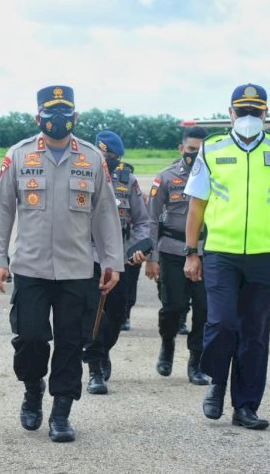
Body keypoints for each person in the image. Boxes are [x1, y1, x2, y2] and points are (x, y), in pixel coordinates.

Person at [0, 85, 124, 442]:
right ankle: (33, 390)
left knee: (70, 342)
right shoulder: (18, 155)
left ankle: (61, 411)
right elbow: (2, 211)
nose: (58, 121)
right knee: (30, 337)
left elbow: (106, 213)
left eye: (65, 114)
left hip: (77, 268)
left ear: (75, 118)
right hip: (30, 268)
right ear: (38, 118)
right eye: (50, 114)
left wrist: (112, 261)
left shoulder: (92, 159)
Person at [183, 83, 270, 430]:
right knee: (222, 323)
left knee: (255, 333)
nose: (249, 117)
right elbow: (197, 205)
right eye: (243, 111)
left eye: (256, 111)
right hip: (221, 254)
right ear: (230, 114)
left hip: (265, 255)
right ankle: (217, 383)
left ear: (266, 114)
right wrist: (191, 252)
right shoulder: (212, 148)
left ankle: (246, 406)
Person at [84, 131, 149, 395]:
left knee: (118, 313)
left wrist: (137, 248)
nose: (110, 162)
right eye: (106, 157)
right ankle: (95, 368)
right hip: (86, 256)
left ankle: (103, 350)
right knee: (91, 313)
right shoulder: (80, 176)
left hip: (120, 258)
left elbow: (143, 221)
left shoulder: (127, 181)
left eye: (114, 158)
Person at [145, 126, 209, 386]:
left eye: (201, 150)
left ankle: (196, 361)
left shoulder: (216, 177)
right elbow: (151, 219)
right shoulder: (165, 178)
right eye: (192, 150)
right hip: (172, 251)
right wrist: (152, 256)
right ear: (182, 149)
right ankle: (167, 343)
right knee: (173, 306)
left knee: (204, 309)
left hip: (205, 252)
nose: (195, 155)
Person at [119, 162, 143, 332]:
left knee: (129, 284)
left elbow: (142, 220)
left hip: (129, 245)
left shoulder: (135, 191)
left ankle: (125, 315)